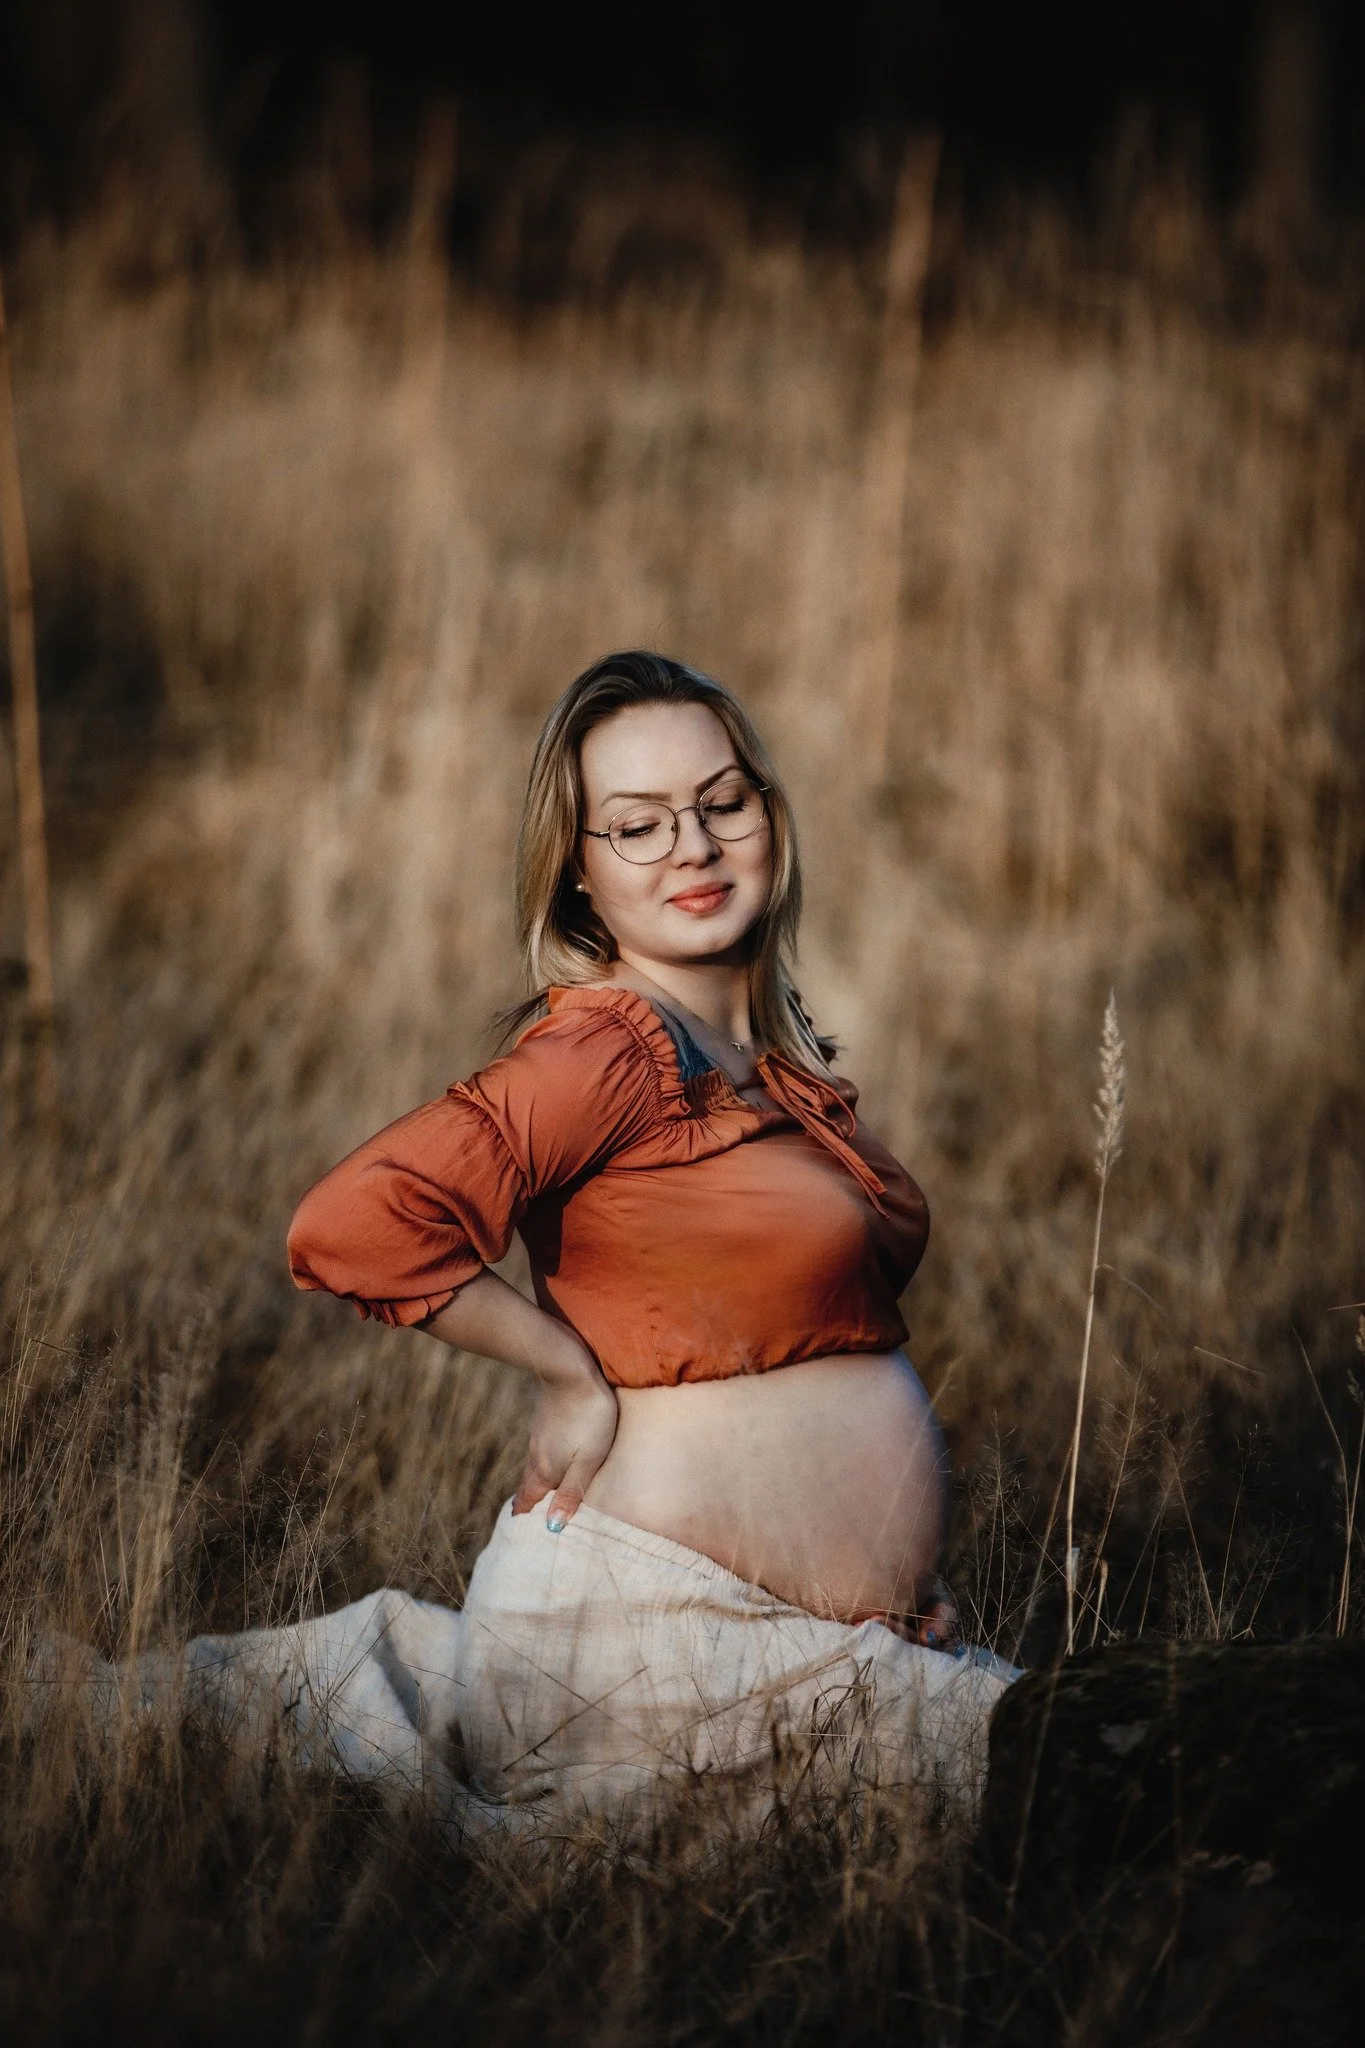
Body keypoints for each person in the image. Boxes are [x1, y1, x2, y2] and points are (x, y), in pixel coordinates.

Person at [274, 652, 1015, 1834]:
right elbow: (352, 1219)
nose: (695, 845)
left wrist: (878, 1587)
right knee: (1069, 1782)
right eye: (638, 824)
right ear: (577, 872)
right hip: (638, 1638)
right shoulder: (610, 1050)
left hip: (780, 1637)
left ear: (768, 814)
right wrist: (564, 1368)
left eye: (723, 803)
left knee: (1053, 1785)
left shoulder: (763, 1061)